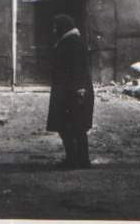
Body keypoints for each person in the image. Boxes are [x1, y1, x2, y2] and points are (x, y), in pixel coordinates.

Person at [45, 13, 94, 168]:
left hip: (73, 92)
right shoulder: (68, 41)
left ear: (63, 27)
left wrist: (80, 89)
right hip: (67, 91)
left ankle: (79, 160)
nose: (54, 30)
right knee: (68, 126)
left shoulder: (73, 43)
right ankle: (75, 158)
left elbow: (78, 68)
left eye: (56, 27)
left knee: (75, 126)